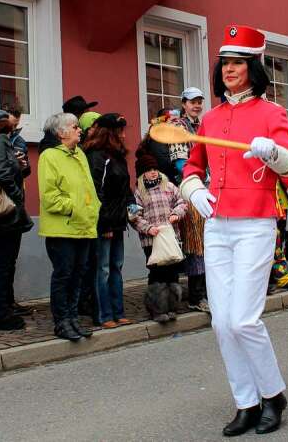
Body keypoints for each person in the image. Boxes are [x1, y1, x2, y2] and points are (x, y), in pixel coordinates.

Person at [179, 25, 288, 436]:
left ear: (253, 67)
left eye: (238, 62)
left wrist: (275, 153)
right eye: (226, 63)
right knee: (221, 321)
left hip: (255, 222)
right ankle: (246, 402)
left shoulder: (272, 113)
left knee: (245, 320)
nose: (230, 69)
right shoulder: (211, 117)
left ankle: (274, 395)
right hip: (217, 226)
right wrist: (195, 190)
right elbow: (192, 166)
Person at [38, 112, 101, 341]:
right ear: (61, 132)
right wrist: (75, 208)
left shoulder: (80, 154)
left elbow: (88, 189)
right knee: (64, 275)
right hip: (62, 229)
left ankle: (73, 318)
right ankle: (61, 321)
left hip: (83, 226)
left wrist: (92, 209)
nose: (79, 130)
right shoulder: (49, 156)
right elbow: (50, 196)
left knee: (78, 275)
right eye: (75, 127)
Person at [0, 110, 32, 331]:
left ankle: (1, 312)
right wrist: (16, 196)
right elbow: (0, 173)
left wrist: (19, 166)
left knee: (0, 263)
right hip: (5, 213)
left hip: (3, 213)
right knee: (0, 264)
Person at [84, 113, 135, 329]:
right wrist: (103, 223)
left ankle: (118, 311)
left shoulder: (117, 156)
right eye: (120, 130)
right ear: (111, 132)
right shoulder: (97, 156)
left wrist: (132, 202)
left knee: (116, 266)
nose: (124, 134)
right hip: (105, 222)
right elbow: (96, 191)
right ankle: (104, 314)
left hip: (118, 220)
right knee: (102, 269)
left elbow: (124, 187)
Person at [131, 153, 188, 323]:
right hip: (152, 241)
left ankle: (172, 307)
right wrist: (148, 228)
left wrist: (176, 215)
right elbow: (133, 216)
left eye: (154, 169)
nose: (153, 172)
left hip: (171, 238)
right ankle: (157, 309)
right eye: (149, 170)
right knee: (157, 274)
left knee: (172, 273)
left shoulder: (169, 186)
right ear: (142, 174)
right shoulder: (139, 192)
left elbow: (182, 202)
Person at [176, 87, 208, 312]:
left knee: (208, 244)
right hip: (191, 189)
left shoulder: (202, 125)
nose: (196, 105)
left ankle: (208, 292)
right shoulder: (178, 126)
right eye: (192, 102)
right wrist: (194, 183)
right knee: (196, 244)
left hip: (207, 188)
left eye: (199, 101)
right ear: (184, 104)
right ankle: (196, 296)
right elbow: (179, 161)